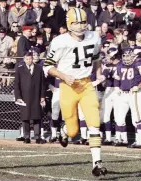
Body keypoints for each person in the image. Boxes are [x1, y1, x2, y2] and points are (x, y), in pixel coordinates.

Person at [43, 8, 107, 177]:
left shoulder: (94, 36)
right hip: (68, 86)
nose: (80, 26)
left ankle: (97, 163)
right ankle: (64, 132)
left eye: (83, 22)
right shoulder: (59, 41)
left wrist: (99, 73)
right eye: (76, 23)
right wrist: (64, 75)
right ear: (69, 24)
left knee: (94, 121)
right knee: (73, 131)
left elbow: (96, 57)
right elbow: (47, 66)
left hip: (86, 85)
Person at [15, 51, 46, 144]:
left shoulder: (39, 69)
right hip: (24, 97)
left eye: (30, 58)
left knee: (37, 116)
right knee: (25, 117)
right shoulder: (20, 69)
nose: (29, 60)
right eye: (27, 59)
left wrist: (42, 96)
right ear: (24, 59)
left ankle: (37, 137)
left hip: (36, 96)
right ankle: (27, 136)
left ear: (33, 59)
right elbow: (17, 84)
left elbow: (43, 84)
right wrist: (18, 96)